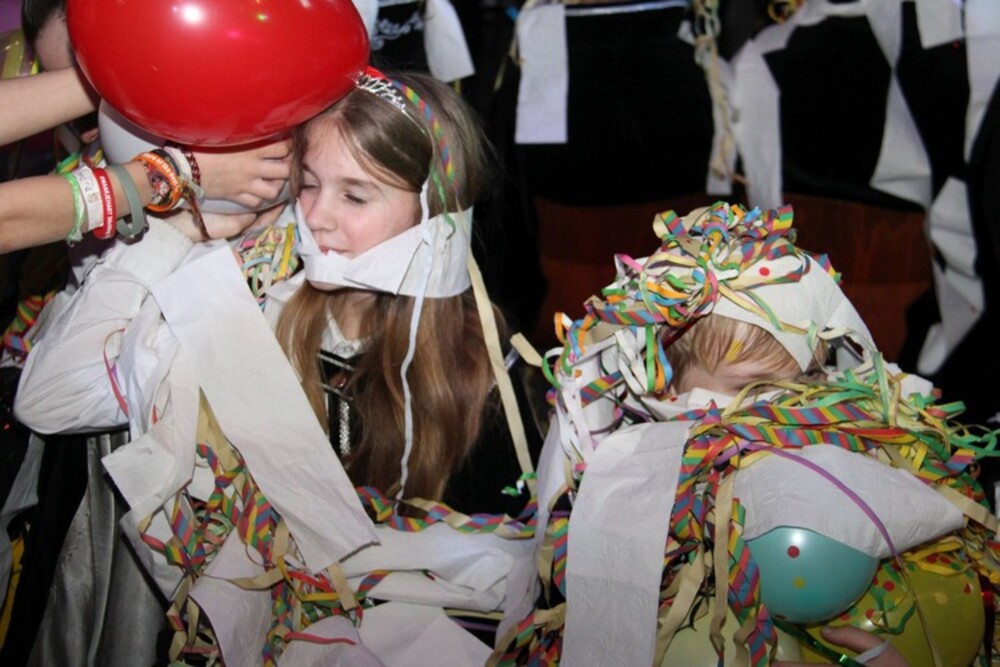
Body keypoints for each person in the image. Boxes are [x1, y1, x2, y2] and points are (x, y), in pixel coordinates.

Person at [12, 67, 542, 665]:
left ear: (437, 219)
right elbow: (48, 399)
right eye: (308, 184)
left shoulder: (482, 374)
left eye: (355, 196)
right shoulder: (252, 303)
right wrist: (178, 231)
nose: (316, 216)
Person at [493, 201, 997, 666]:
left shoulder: (836, 442)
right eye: (747, 388)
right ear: (670, 383)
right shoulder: (636, 466)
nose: (773, 410)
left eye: (796, 386)